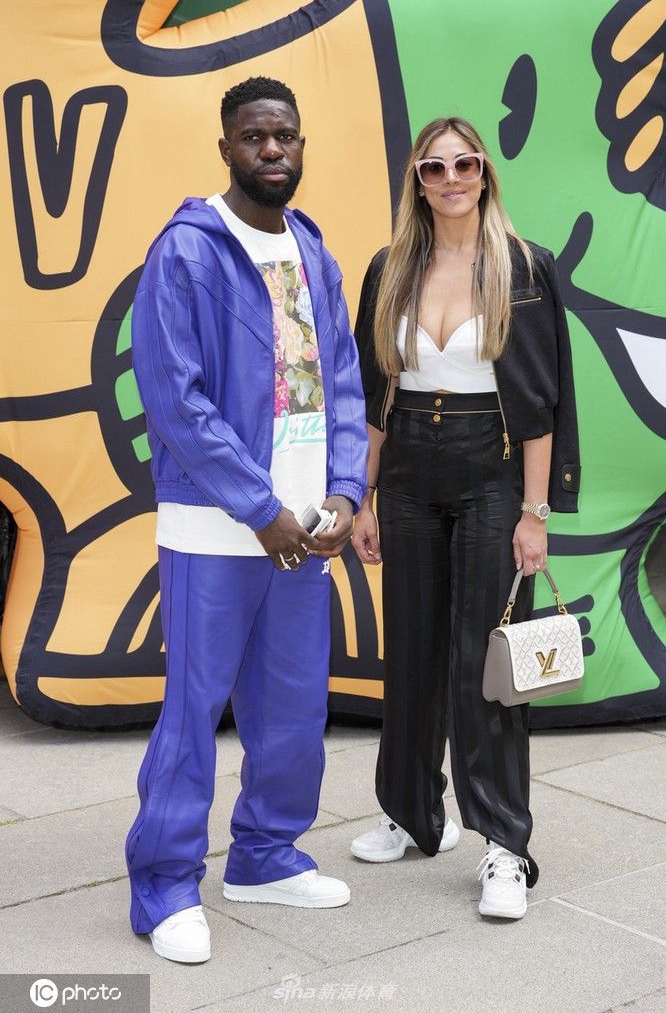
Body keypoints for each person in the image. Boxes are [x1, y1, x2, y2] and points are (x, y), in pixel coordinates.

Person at [125, 76, 368, 963]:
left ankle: (265, 855)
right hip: (216, 530)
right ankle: (163, 886)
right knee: (193, 713)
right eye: (256, 136)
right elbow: (175, 400)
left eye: (286, 136)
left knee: (294, 709)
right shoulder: (187, 251)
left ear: (301, 146)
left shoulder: (312, 250)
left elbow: (343, 380)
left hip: (306, 531)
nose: (273, 149)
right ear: (225, 147)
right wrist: (261, 508)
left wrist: (344, 492)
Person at [350, 117, 580, 920]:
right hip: (408, 469)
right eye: (434, 167)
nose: (451, 179)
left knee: (487, 667)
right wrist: (364, 495)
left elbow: (542, 406)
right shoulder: (389, 268)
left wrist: (535, 513)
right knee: (411, 652)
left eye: (466, 164)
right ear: (417, 181)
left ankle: (504, 845)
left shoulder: (523, 268)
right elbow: (375, 396)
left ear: (485, 174)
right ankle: (412, 813)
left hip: (491, 469)